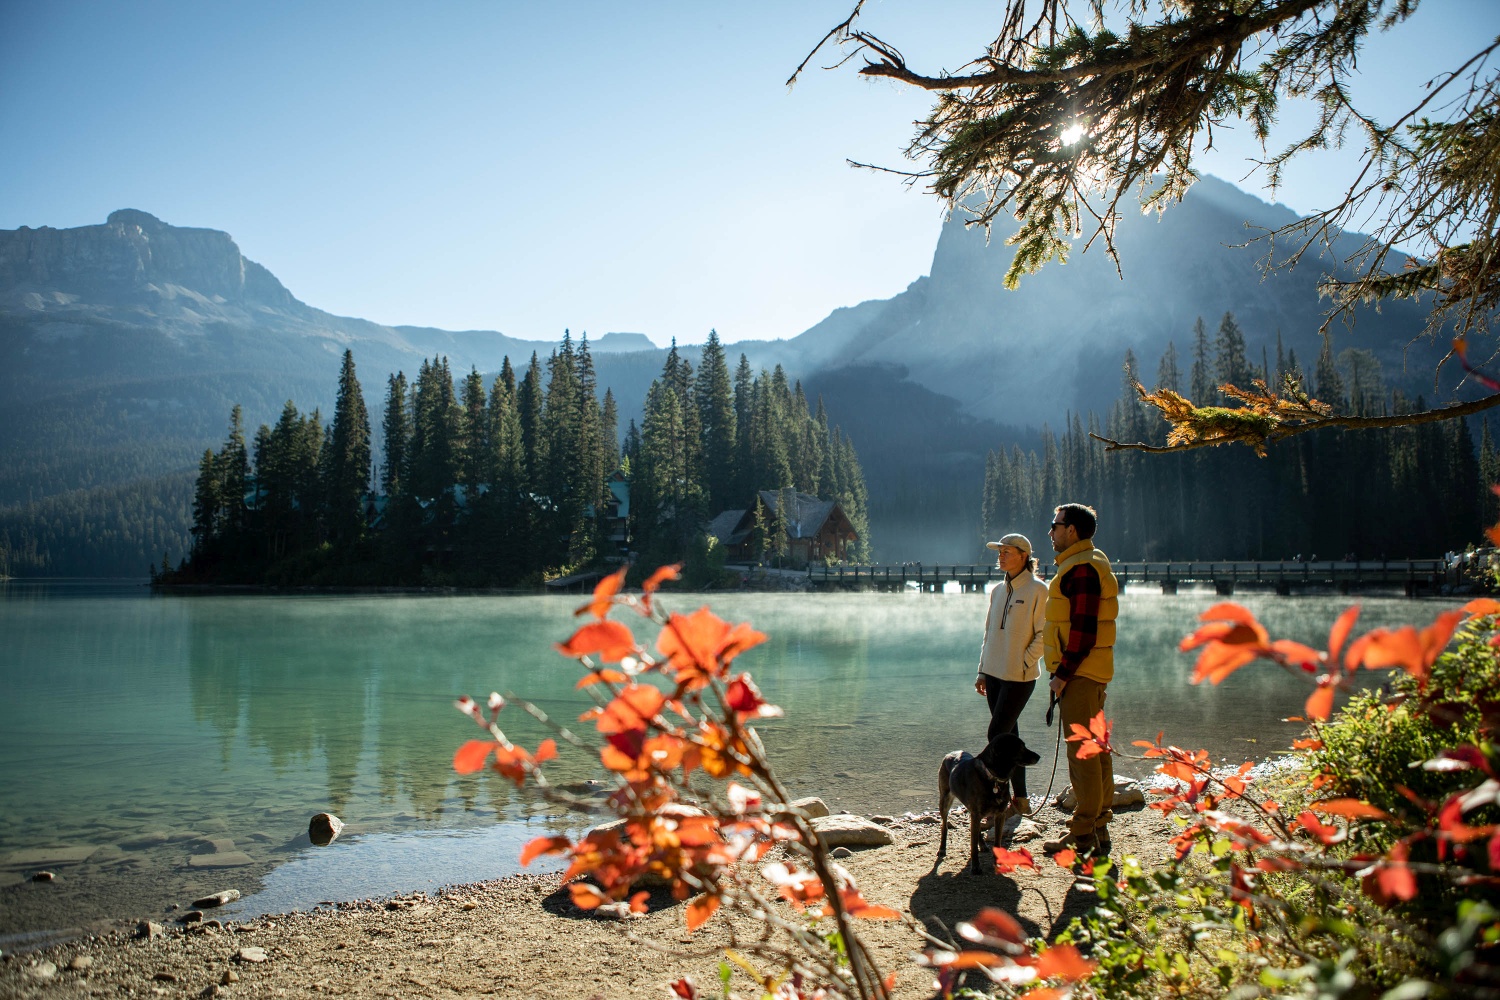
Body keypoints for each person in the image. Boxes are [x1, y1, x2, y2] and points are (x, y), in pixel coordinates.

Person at [1040, 502, 1119, 857]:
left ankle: (1083, 833)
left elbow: (1084, 633)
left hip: (1080, 676)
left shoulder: (1082, 570)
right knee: (1097, 750)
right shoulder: (1087, 563)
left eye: (1055, 525)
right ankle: (1098, 827)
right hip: (1092, 673)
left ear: (1071, 530)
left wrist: (1061, 676)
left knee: (1083, 755)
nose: (1051, 532)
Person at [974, 533, 1047, 818]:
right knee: (1008, 733)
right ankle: (1021, 801)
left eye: (1006, 551)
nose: (1000, 555)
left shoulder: (1038, 590)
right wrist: (982, 670)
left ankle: (1001, 799)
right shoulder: (997, 590)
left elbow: (1044, 633)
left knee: (997, 735)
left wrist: (1025, 661)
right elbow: (989, 633)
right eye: (999, 551)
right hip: (993, 672)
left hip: (1020, 676)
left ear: (1024, 556)